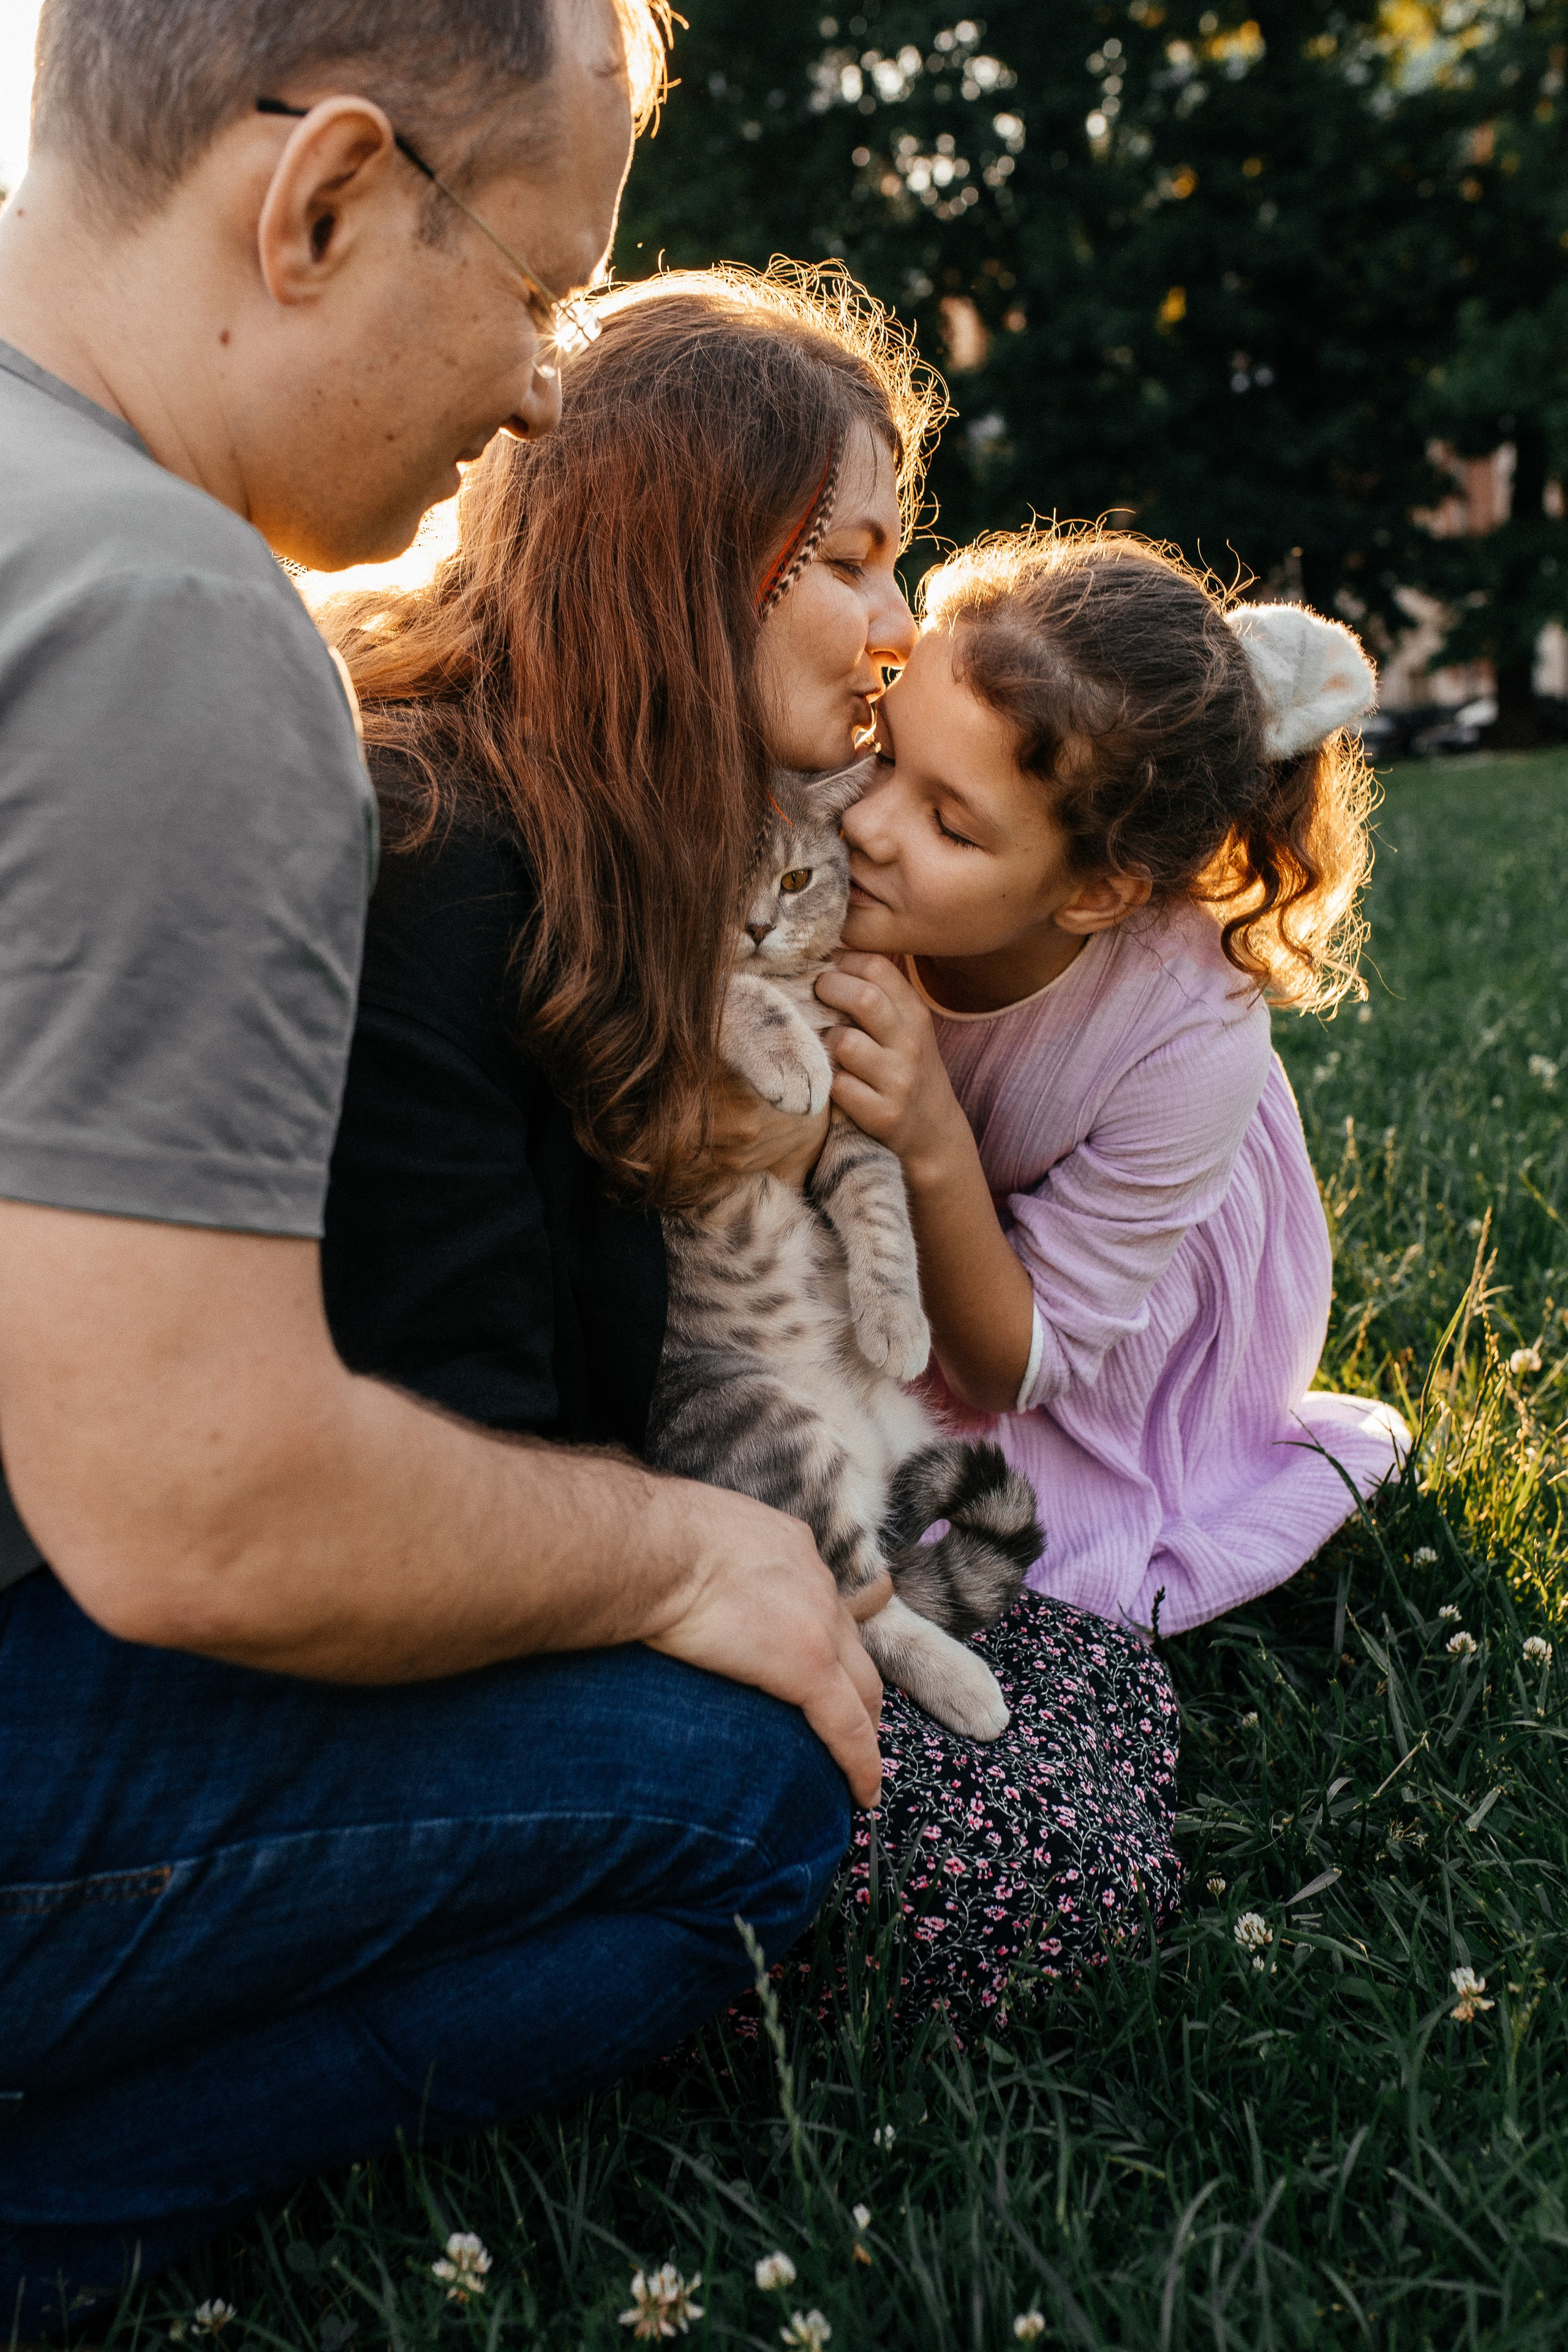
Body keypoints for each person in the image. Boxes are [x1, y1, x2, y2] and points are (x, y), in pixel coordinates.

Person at [0, 7, 888, 2332]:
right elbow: (200, 1508)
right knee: (748, 1783)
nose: (533, 389)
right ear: (321, 202)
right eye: (535, 288)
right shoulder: (167, 622)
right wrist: (694, 1548)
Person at [318, 269, 1184, 2046]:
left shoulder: (678, 828)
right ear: (697, 555)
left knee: (1086, 1685)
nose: (896, 627)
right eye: (856, 558)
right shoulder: (436, 863)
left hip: (669, 1510)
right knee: (964, 1851)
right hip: (458, 1600)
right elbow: (462, 1432)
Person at [815, 527, 1409, 1642]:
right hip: (917, 1227)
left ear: (1094, 895)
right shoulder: (846, 862)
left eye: (947, 821)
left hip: (1082, 1325)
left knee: (959, 1539)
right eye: (883, 752)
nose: (866, 823)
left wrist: (929, 1132)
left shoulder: (1190, 1041)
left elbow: (1012, 1367)